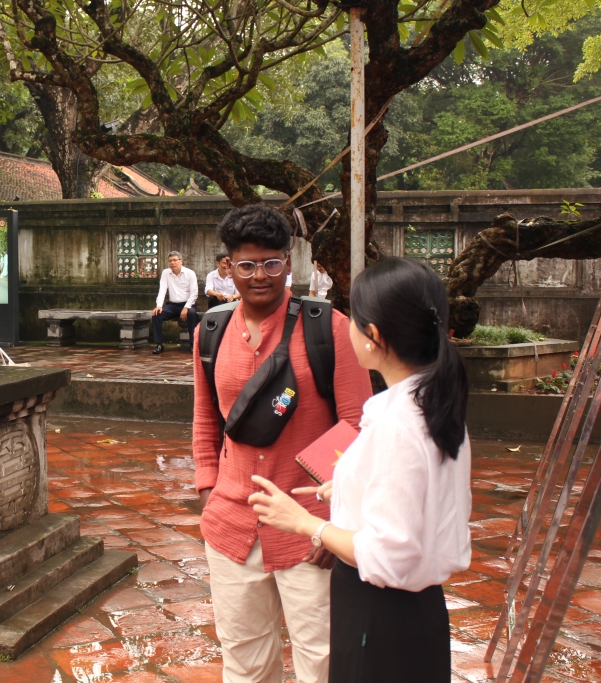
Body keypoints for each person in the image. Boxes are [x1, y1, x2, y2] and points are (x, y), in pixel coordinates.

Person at [248, 257, 472, 683]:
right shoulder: (432, 401)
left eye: (353, 315)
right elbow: (420, 495)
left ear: (372, 337)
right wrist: (350, 487)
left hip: (381, 613)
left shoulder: (398, 424)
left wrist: (303, 525)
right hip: (415, 612)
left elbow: (388, 556)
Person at [192, 204, 373, 683]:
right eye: (247, 265)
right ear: (227, 268)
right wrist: (209, 488)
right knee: (245, 663)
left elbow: (358, 423)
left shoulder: (328, 327)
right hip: (232, 524)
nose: (260, 276)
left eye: (272, 263)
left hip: (308, 528)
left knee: (324, 662)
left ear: (288, 262)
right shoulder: (209, 332)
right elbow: (206, 419)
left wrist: (336, 519)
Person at [151, 251, 198, 355]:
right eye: (170, 261)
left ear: (181, 261)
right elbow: (162, 290)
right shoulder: (166, 273)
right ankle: (159, 344)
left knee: (192, 314)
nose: (172, 263)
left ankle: (193, 344)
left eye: (175, 260)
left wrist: (186, 307)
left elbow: (194, 293)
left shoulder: (190, 273)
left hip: (188, 304)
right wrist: (159, 305)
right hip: (172, 305)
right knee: (157, 314)